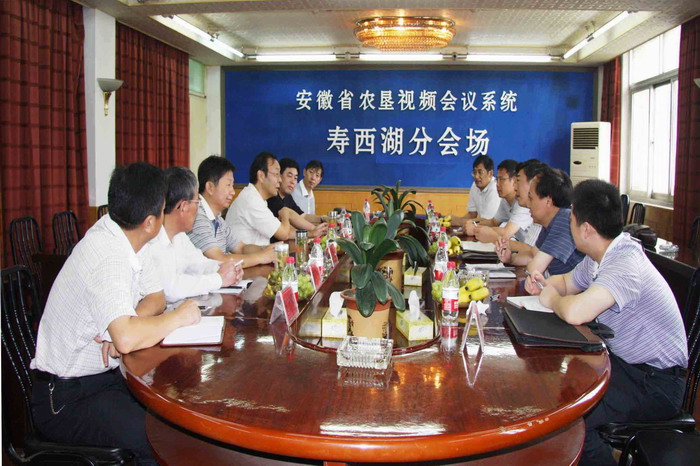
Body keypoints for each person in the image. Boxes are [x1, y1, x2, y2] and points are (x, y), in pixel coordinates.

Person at [31, 162, 202, 465]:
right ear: (150, 222)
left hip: (104, 378)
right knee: (160, 438)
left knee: (174, 416)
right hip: (66, 398)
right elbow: (125, 340)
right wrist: (178, 317)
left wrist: (127, 322)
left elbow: (156, 298)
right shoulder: (107, 254)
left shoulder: (127, 233)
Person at [526, 179, 687, 466]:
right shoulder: (601, 254)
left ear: (586, 229)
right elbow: (567, 282)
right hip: (628, 366)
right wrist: (545, 284)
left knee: (570, 419)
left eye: (572, 219)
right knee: (556, 388)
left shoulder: (624, 263)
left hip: (656, 383)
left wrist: (551, 298)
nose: (569, 224)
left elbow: (576, 313)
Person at [150, 167, 244, 303]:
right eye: (197, 203)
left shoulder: (179, 236)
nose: (198, 209)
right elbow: (170, 290)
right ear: (183, 206)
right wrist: (219, 279)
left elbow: (198, 263)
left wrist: (225, 268)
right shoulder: (153, 240)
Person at [497, 166, 584, 282]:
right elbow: (532, 255)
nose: (528, 205)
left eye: (531, 198)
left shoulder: (564, 220)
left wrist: (530, 267)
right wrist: (510, 258)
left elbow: (534, 269)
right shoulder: (550, 222)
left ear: (548, 201)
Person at [188, 155, 275, 266]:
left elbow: (241, 248)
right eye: (228, 185)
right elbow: (219, 259)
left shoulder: (217, 219)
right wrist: (262, 257)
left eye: (232, 185)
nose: (233, 192)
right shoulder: (197, 216)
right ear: (210, 187)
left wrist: (268, 249)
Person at [226, 152, 325, 246]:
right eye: (277, 174)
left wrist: (313, 231)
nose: (280, 180)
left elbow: (289, 221)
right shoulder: (251, 200)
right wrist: (286, 214)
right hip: (246, 257)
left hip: (258, 253)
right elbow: (284, 233)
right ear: (261, 176)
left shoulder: (258, 198)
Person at [463, 159, 533, 243]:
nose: (497, 184)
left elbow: (506, 232)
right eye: (497, 179)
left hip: (528, 248)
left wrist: (475, 229)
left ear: (514, 181)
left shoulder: (523, 203)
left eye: (502, 179)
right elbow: (494, 222)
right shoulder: (505, 199)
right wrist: (473, 223)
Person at [267, 157, 329, 228]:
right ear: (279, 176)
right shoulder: (272, 197)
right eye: (289, 176)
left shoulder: (288, 197)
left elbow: (302, 216)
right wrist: (314, 230)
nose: (293, 181)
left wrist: (322, 218)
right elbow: (291, 225)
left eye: (295, 178)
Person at [452, 155, 501, 226]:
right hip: (482, 227)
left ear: (490, 173)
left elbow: (486, 221)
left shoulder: (495, 188)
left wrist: (459, 222)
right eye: (474, 172)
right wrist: (457, 220)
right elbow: (472, 214)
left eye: (480, 172)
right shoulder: (475, 185)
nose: (476, 176)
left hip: (495, 228)